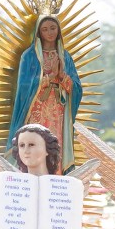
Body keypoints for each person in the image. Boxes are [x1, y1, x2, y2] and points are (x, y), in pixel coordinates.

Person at [7, 14, 82, 173]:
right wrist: (48, 78)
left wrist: (61, 76)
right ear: (39, 32)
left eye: (53, 28)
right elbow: (24, 86)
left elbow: (77, 88)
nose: (49, 33)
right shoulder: (29, 56)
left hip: (58, 110)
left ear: (59, 30)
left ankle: (55, 177)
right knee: (36, 141)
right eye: (45, 29)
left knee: (54, 144)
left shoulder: (65, 57)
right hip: (36, 109)